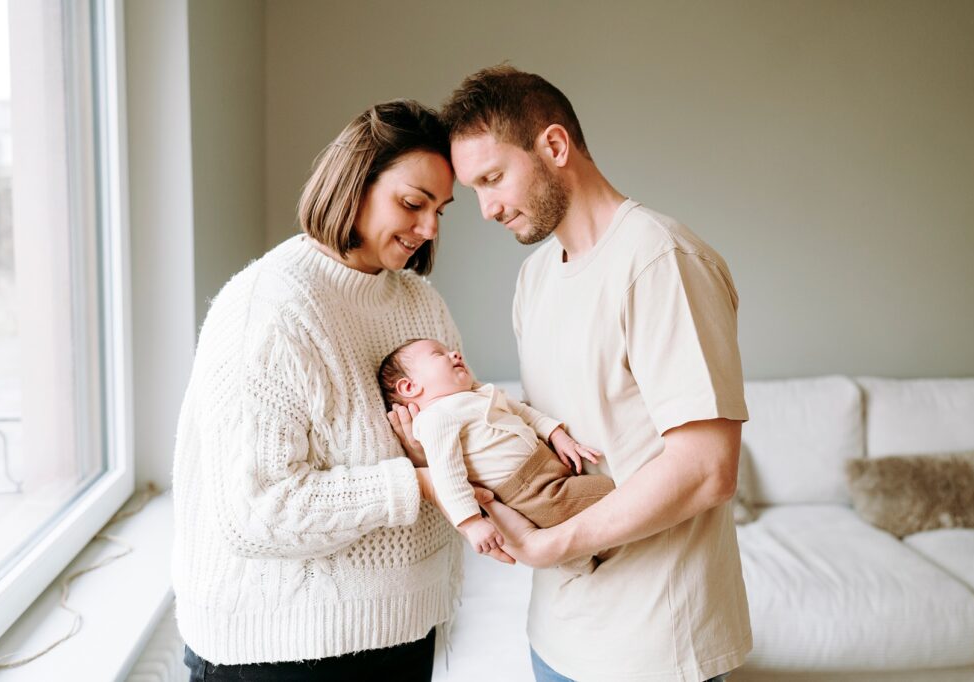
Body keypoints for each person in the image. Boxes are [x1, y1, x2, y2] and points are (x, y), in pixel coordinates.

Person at [171, 99, 507, 682]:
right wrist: (419, 484)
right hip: (283, 649)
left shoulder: (418, 302)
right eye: (412, 203)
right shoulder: (266, 310)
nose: (428, 229)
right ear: (354, 183)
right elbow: (256, 511)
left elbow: (460, 421)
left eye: (440, 212)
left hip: (404, 632)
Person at [439, 65, 752, 682]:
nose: (486, 208)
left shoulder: (659, 260)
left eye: (494, 178)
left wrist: (550, 546)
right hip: (556, 634)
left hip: (654, 650)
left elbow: (707, 471)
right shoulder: (535, 278)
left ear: (554, 147)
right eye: (474, 188)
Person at [377, 338, 614, 556]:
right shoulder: (435, 418)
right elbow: (446, 475)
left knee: (587, 510)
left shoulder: (480, 393)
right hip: (531, 491)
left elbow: (524, 412)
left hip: (548, 465)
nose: (455, 354)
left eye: (451, 351)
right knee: (612, 491)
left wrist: (558, 435)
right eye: (439, 354)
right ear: (409, 387)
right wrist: (471, 523)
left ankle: (581, 558)